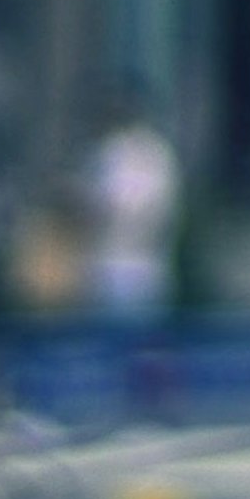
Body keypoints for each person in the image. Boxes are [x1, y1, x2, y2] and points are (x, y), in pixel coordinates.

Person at [77, 81, 183, 324]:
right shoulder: (105, 152)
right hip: (103, 265)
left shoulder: (154, 154)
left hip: (143, 266)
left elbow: (155, 210)